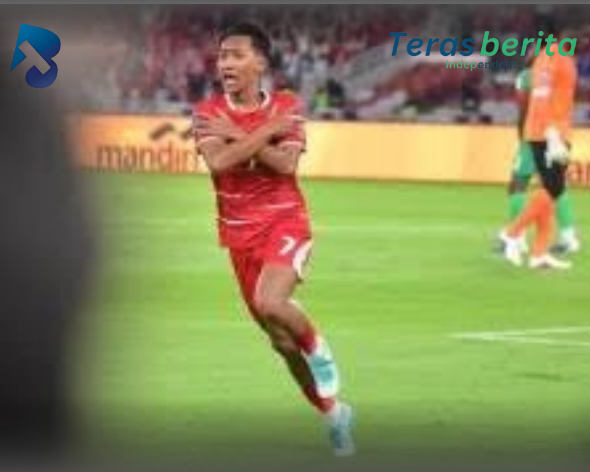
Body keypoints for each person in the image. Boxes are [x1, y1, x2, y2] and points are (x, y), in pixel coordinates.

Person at [192, 22, 355, 456]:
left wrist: (240, 133)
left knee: (270, 302)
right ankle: (333, 413)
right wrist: (263, 132)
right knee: (281, 343)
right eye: (222, 56)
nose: (225, 63)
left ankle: (318, 348)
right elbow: (219, 161)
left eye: (236, 55)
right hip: (238, 236)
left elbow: (285, 166)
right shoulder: (207, 111)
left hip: (285, 220)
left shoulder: (287, 104)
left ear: (260, 62)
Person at [501, 23, 579, 269]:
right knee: (553, 186)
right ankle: (547, 246)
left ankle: (515, 235)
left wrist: (527, 135)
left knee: (524, 184)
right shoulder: (556, 63)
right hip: (549, 131)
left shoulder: (531, 73)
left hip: (538, 133)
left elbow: (526, 106)